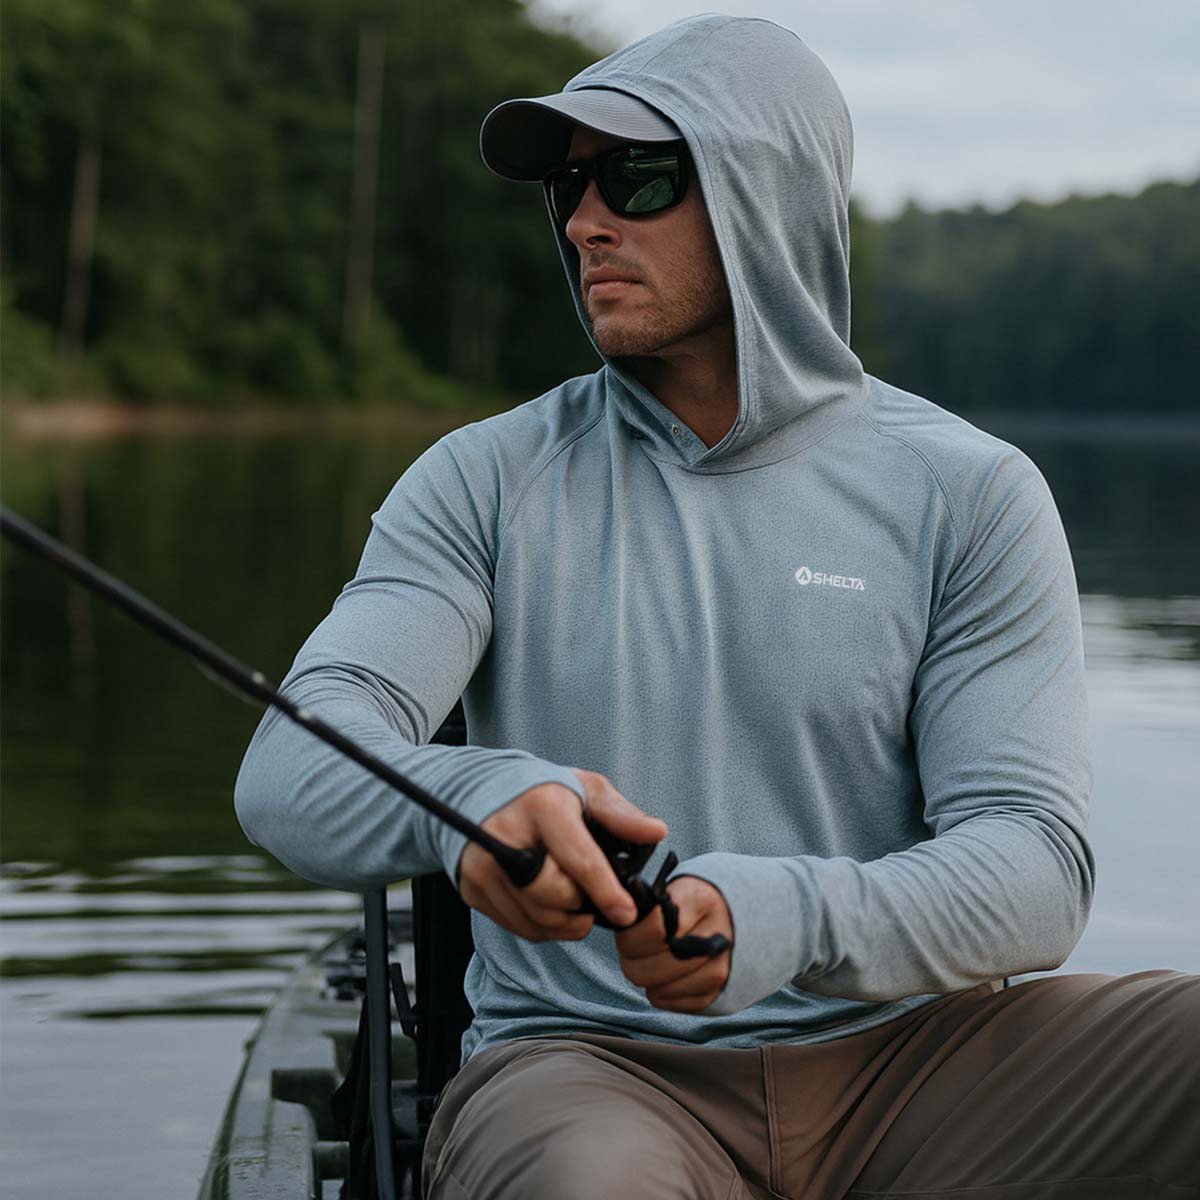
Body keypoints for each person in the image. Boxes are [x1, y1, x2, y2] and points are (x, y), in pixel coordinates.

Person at [235, 14, 1198, 1199]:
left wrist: (780, 916)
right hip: (593, 1069)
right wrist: (474, 802)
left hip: (922, 1067)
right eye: (571, 187)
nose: (585, 221)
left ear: (767, 194)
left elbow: (1036, 871)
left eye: (637, 178)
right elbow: (288, 765)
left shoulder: (972, 493)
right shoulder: (482, 480)